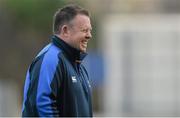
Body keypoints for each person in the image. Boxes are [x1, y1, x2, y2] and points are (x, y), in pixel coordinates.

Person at [22, 4, 93, 117]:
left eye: (90, 30)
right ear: (65, 30)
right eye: (84, 30)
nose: (89, 35)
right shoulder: (50, 60)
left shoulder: (78, 66)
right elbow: (41, 104)